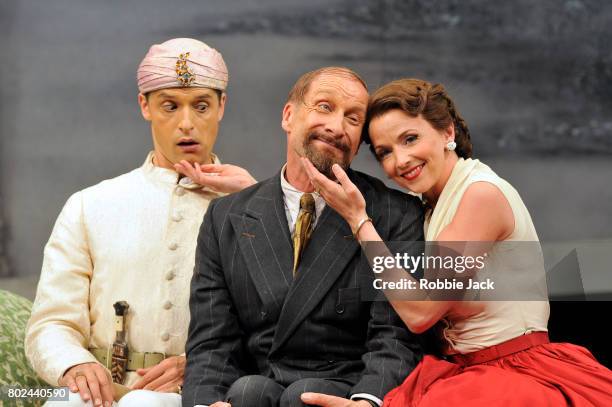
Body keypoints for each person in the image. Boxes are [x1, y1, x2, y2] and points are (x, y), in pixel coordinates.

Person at [303, 78, 612, 406]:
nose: (401, 160)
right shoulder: (427, 205)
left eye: (410, 139)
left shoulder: (479, 195)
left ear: (447, 133)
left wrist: (359, 221)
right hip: (461, 371)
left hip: (515, 374)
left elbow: (420, 313)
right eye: (385, 152)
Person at [26, 38, 254, 407]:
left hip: (202, 393)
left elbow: (278, 329)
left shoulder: (250, 206)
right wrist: (75, 366)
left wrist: (201, 364)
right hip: (98, 393)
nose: (186, 124)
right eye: (169, 106)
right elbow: (51, 324)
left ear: (221, 106)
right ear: (144, 105)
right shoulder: (91, 205)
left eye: (201, 106)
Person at [182, 67, 424, 407]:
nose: (337, 127)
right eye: (324, 107)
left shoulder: (395, 214)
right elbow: (211, 340)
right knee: (248, 392)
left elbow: (394, 336)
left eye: (353, 119)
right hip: (257, 389)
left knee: (302, 397)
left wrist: (368, 401)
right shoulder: (225, 217)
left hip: (347, 387)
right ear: (288, 115)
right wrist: (205, 403)